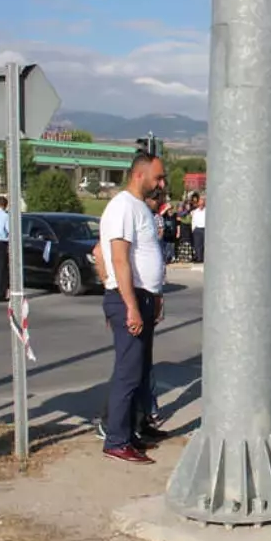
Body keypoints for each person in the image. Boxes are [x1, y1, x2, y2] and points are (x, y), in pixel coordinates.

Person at [98, 152, 169, 464]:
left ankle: (137, 428)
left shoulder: (140, 207)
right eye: (158, 177)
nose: (162, 183)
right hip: (130, 298)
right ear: (140, 175)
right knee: (127, 374)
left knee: (141, 371)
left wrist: (155, 296)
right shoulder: (123, 207)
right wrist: (131, 306)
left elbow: (146, 258)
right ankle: (116, 439)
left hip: (144, 298)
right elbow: (117, 258)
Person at [190, 192, 206, 264]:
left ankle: (203, 258)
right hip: (197, 229)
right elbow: (193, 220)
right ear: (198, 203)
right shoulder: (195, 211)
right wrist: (193, 229)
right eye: (200, 202)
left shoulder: (207, 211)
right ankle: (199, 258)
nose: (201, 204)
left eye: (203, 202)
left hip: (205, 229)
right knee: (197, 245)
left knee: (204, 245)